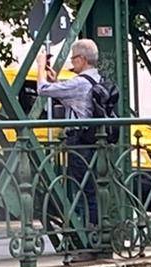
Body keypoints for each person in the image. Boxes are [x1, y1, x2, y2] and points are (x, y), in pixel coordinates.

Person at [39, 39, 106, 247]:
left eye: (74, 58)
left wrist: (40, 66)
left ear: (83, 59)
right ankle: (95, 237)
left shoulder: (80, 82)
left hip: (79, 142)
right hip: (93, 141)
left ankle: (88, 241)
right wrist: (56, 80)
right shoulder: (97, 80)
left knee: (83, 190)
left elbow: (42, 89)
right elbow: (77, 104)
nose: (72, 62)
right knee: (91, 189)